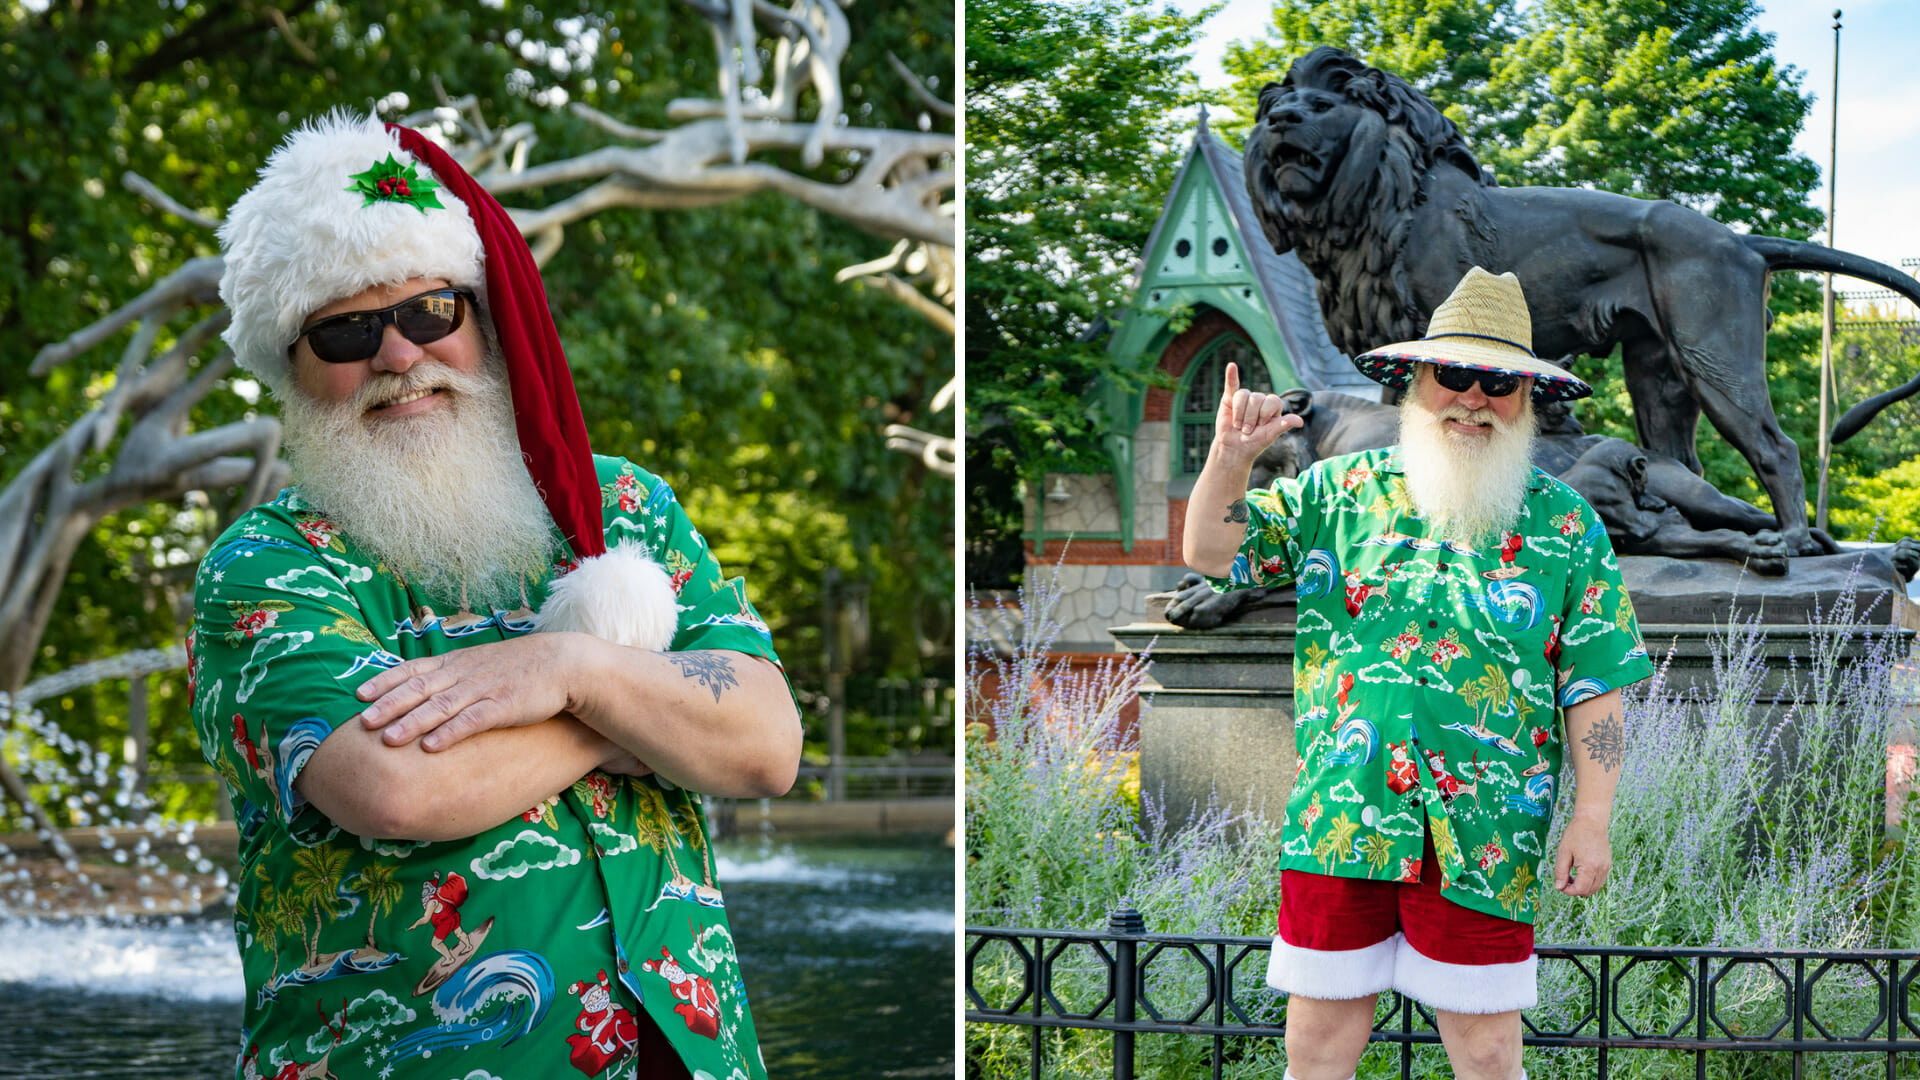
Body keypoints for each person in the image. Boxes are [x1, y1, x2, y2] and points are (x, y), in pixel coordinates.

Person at [190, 111, 801, 1080]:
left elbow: (766, 744)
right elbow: (400, 789)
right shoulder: (264, 567)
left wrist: (568, 666)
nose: (399, 356)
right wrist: (634, 710)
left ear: (484, 319)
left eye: (431, 310)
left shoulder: (624, 507)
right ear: (293, 370)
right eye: (346, 329)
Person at [1183, 267, 1653, 1080]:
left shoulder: (1566, 524)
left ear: (1527, 397)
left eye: (1498, 382)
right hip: (1341, 817)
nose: (1473, 398)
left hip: (1488, 829)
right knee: (1317, 1047)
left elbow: (1595, 684)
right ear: (1416, 380)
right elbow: (1211, 552)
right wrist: (1229, 458)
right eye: (1454, 374)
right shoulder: (1335, 493)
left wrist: (1593, 817)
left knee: (1488, 1052)